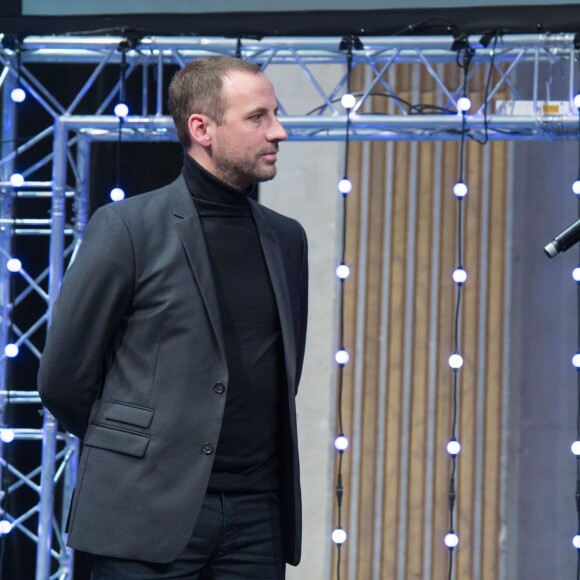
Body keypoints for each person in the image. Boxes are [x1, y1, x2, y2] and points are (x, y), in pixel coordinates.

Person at [38, 56, 308, 580]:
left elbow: (280, 372)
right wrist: (138, 452)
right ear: (201, 128)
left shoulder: (286, 237)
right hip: (145, 511)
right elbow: (63, 380)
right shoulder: (127, 227)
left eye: (275, 114)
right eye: (258, 117)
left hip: (257, 516)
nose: (279, 131)